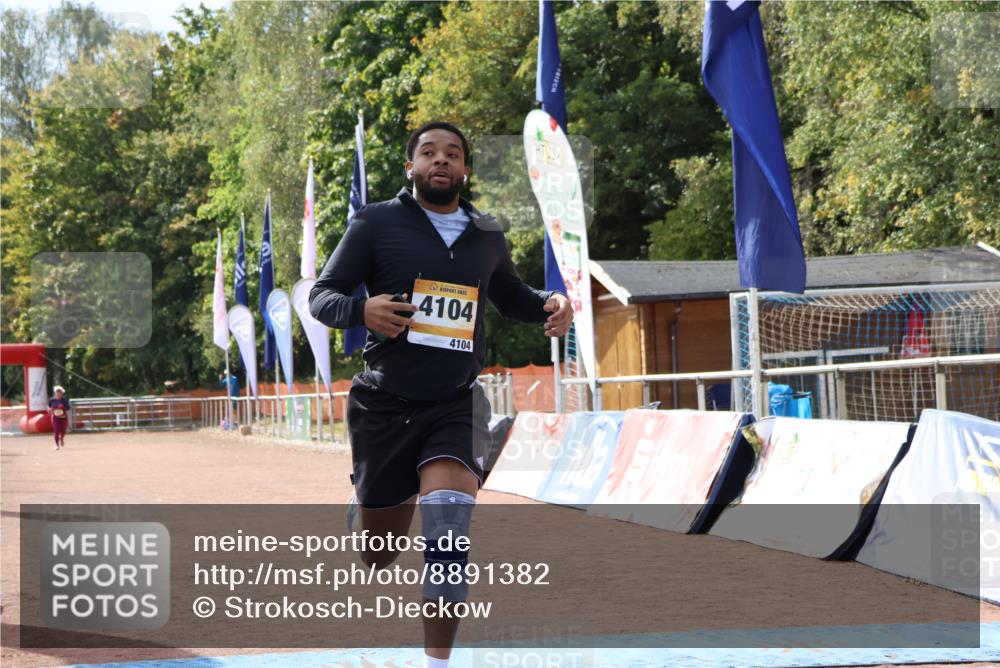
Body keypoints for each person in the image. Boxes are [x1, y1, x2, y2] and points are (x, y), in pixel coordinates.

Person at [309, 121, 573, 667]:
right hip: (384, 405)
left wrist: (550, 302)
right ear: (411, 166)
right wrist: (363, 310)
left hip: (455, 402)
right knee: (378, 556)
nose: (441, 161)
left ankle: (437, 664)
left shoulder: (486, 232)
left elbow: (510, 295)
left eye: (453, 153)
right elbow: (321, 296)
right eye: (429, 152)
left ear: (465, 169)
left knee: (448, 537)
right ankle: (371, 497)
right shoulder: (376, 222)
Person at [47, 385, 70, 450]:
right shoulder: (52, 400)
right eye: (57, 392)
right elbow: (49, 407)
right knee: (56, 430)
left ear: (62, 393)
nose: (58, 393)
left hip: (63, 417)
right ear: (55, 393)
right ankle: (56, 445)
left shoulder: (64, 400)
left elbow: (68, 408)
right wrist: (49, 409)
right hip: (55, 417)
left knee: (63, 431)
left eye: (59, 392)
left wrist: (63, 407)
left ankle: (61, 438)